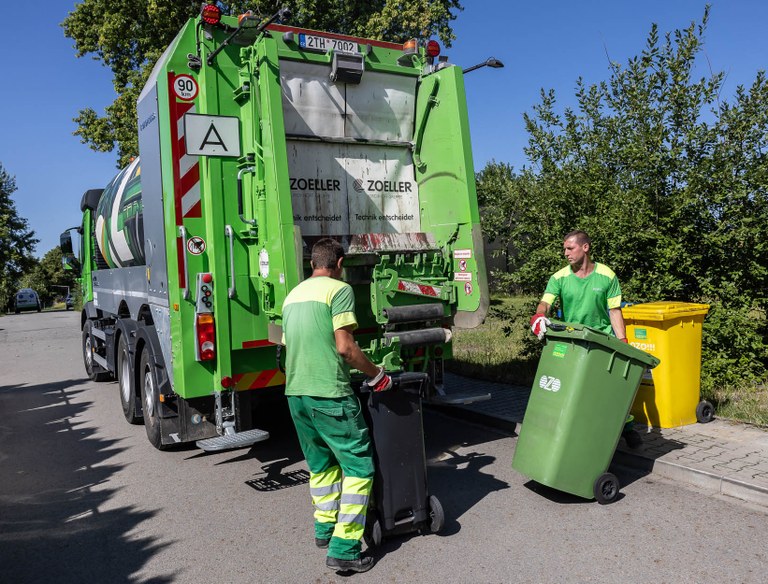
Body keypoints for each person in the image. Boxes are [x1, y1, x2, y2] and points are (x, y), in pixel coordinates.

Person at [282, 237, 392, 574]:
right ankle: (344, 549)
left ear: (312, 263)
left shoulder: (292, 296)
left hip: (296, 394)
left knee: (321, 465)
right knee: (359, 467)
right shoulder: (337, 289)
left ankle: (324, 529)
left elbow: (284, 349)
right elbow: (345, 347)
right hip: (328, 393)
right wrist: (377, 374)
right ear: (339, 263)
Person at [530, 230, 627, 341]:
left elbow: (614, 311)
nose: (566, 253)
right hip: (571, 336)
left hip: (601, 339)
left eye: (570, 248)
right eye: (565, 249)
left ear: (585, 247)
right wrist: (540, 316)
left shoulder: (608, 276)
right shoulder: (558, 278)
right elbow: (545, 303)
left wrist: (622, 340)